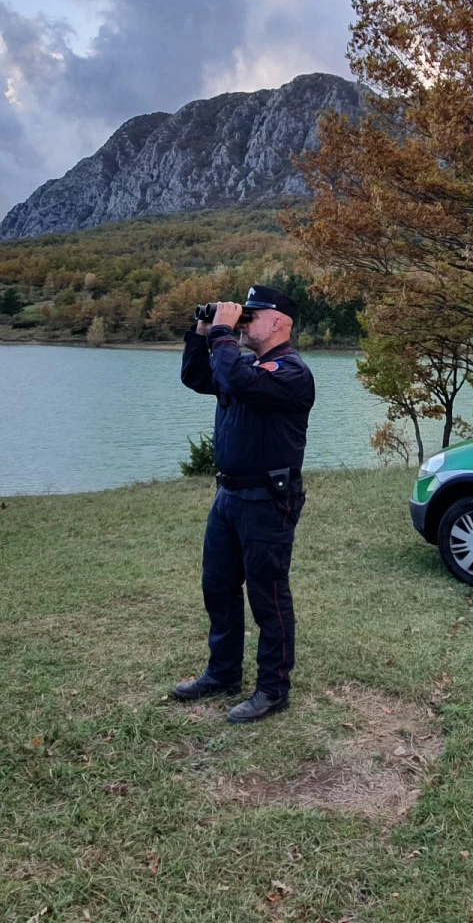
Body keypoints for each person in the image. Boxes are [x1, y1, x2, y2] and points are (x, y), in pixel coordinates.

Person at [174, 285, 315, 723]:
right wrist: (202, 330)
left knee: (267, 594)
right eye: (241, 316)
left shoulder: (291, 373)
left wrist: (221, 333)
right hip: (229, 495)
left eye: (251, 316)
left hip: (267, 500)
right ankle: (223, 673)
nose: (243, 322)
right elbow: (198, 377)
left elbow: (233, 376)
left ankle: (273, 689)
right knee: (217, 586)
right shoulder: (246, 367)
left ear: (280, 323)